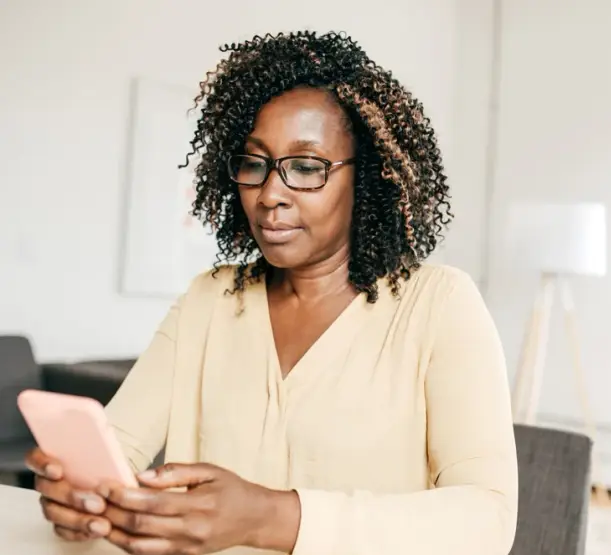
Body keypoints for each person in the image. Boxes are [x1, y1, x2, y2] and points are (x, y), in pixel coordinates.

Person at [26, 31, 518, 555]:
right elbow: (118, 445)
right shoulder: (209, 301)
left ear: (369, 177)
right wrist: (79, 494)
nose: (270, 194)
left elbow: (487, 519)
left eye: (306, 167)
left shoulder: (439, 305)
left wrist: (270, 516)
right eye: (255, 164)